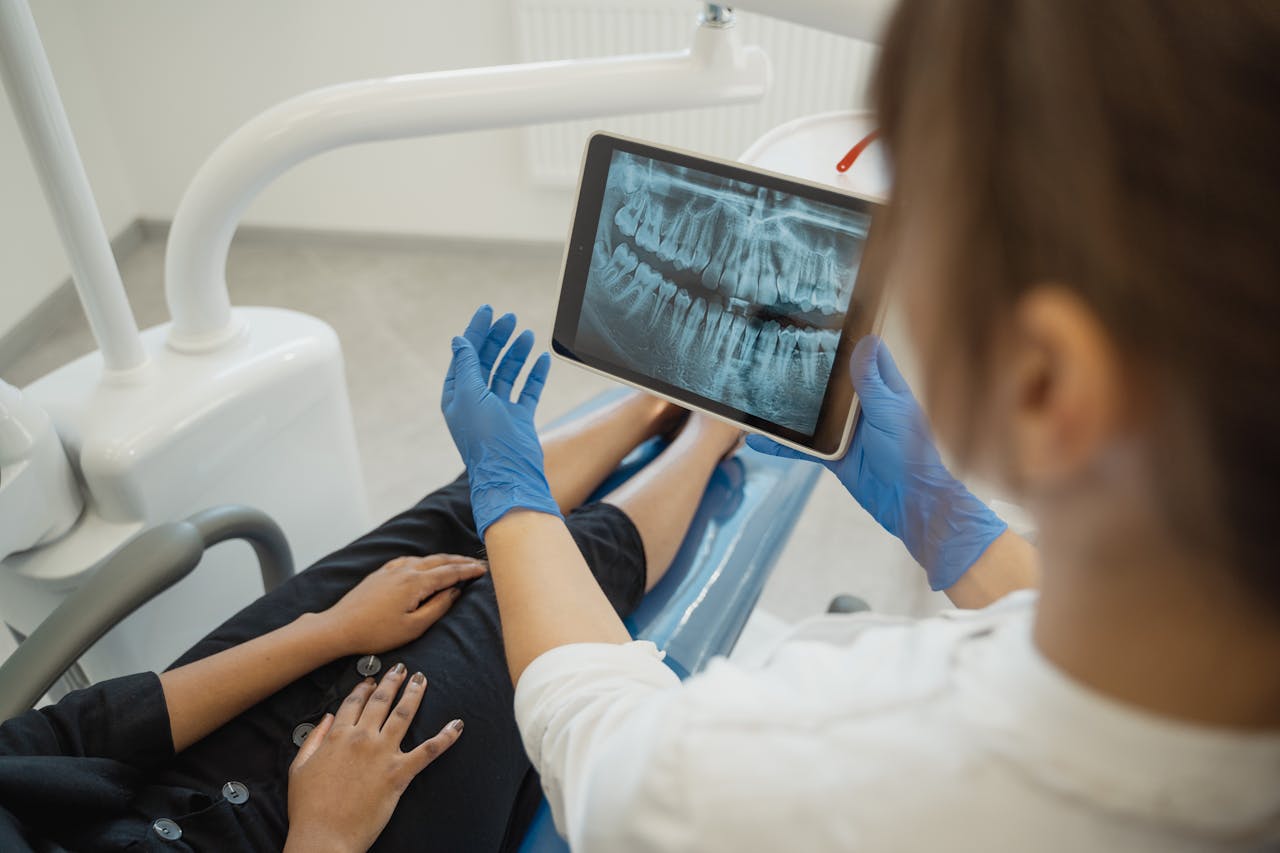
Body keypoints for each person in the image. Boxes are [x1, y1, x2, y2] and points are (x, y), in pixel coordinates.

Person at [439, 2, 1280, 850]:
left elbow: (600, 746)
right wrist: (954, 525)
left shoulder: (785, 771)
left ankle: (690, 427)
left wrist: (510, 492)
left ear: (1045, 380)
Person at [0, 374, 742, 852]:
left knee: (444, 531)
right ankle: (715, 426)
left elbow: (73, 734)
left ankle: (658, 400)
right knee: (549, 585)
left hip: (166, 774)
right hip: (331, 837)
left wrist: (331, 628)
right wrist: (325, 830)